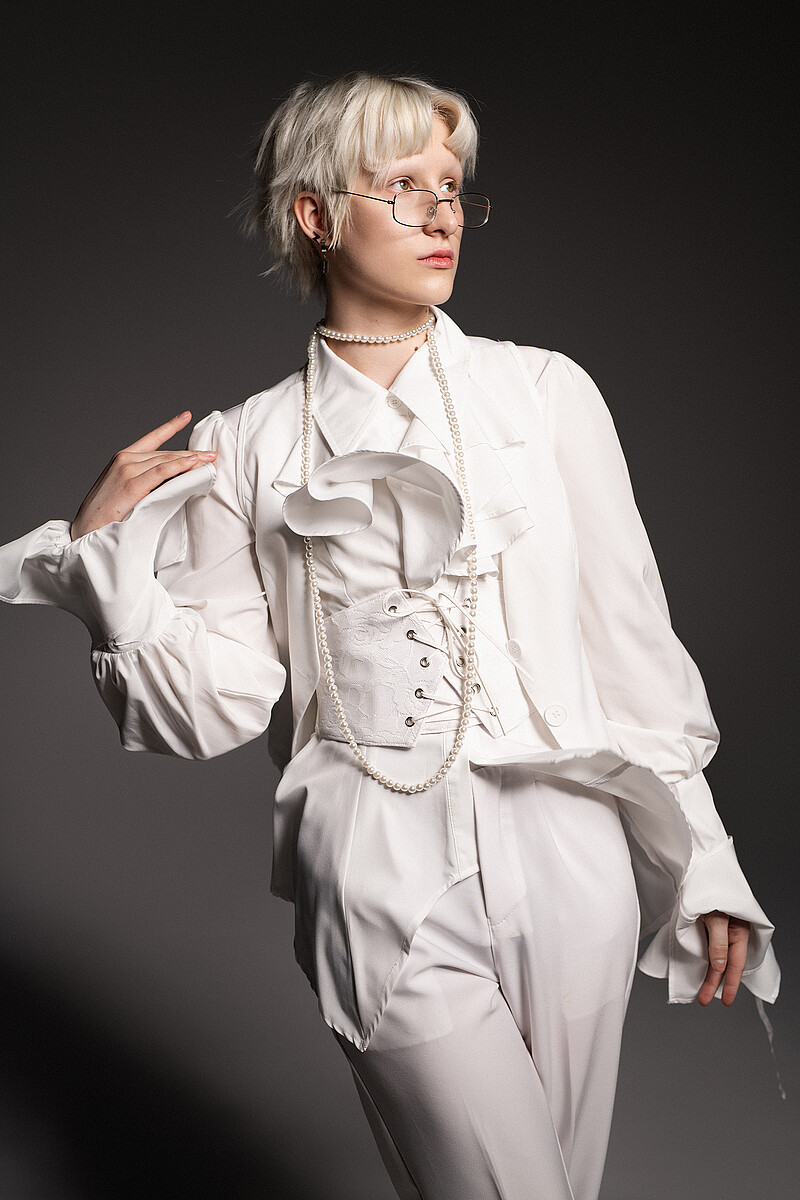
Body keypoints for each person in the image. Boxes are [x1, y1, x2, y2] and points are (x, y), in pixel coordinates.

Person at [0, 73, 780, 1200]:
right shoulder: (247, 443)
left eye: (451, 188)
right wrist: (105, 565)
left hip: (573, 859)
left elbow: (632, 648)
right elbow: (206, 710)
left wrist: (701, 856)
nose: (440, 213)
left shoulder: (545, 394)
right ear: (316, 214)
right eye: (403, 186)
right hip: (375, 868)